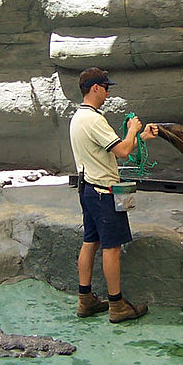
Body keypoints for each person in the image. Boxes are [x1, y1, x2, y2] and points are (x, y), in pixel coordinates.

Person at [69, 67, 158, 323]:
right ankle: (117, 305)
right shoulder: (94, 120)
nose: (108, 93)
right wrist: (132, 131)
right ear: (95, 88)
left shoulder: (78, 118)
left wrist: (141, 138)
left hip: (87, 189)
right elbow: (122, 151)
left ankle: (85, 299)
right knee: (112, 247)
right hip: (104, 193)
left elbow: (109, 150)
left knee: (90, 241)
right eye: (106, 88)